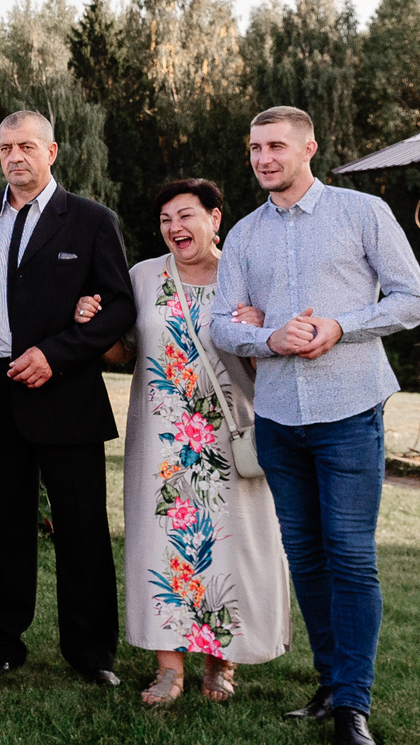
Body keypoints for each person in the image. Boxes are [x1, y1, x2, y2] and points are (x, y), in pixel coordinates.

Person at [212, 106, 420, 745]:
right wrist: (267, 336)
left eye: (275, 146)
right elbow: (222, 324)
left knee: (351, 557)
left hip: (349, 412)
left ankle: (353, 706)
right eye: (255, 148)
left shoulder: (361, 213)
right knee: (306, 559)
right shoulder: (246, 236)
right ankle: (331, 684)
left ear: (309, 147)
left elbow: (413, 298)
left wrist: (341, 326)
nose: (263, 158)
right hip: (279, 419)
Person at [0, 110, 136, 683]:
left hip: (64, 393)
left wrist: (58, 353)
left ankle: (91, 654)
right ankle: (3, 645)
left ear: (51, 152)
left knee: (81, 528)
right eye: (6, 147)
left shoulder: (90, 220)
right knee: (4, 527)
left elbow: (121, 307)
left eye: (27, 146)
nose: (15, 157)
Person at [93, 178, 291, 704]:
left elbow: (268, 359)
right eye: (165, 221)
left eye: (186, 216)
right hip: (161, 441)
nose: (175, 228)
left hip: (230, 437)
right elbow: (123, 353)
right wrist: (95, 327)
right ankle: (168, 669)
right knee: (163, 546)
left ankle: (220, 666)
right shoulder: (141, 278)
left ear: (215, 218)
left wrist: (260, 328)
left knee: (230, 544)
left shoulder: (245, 276)